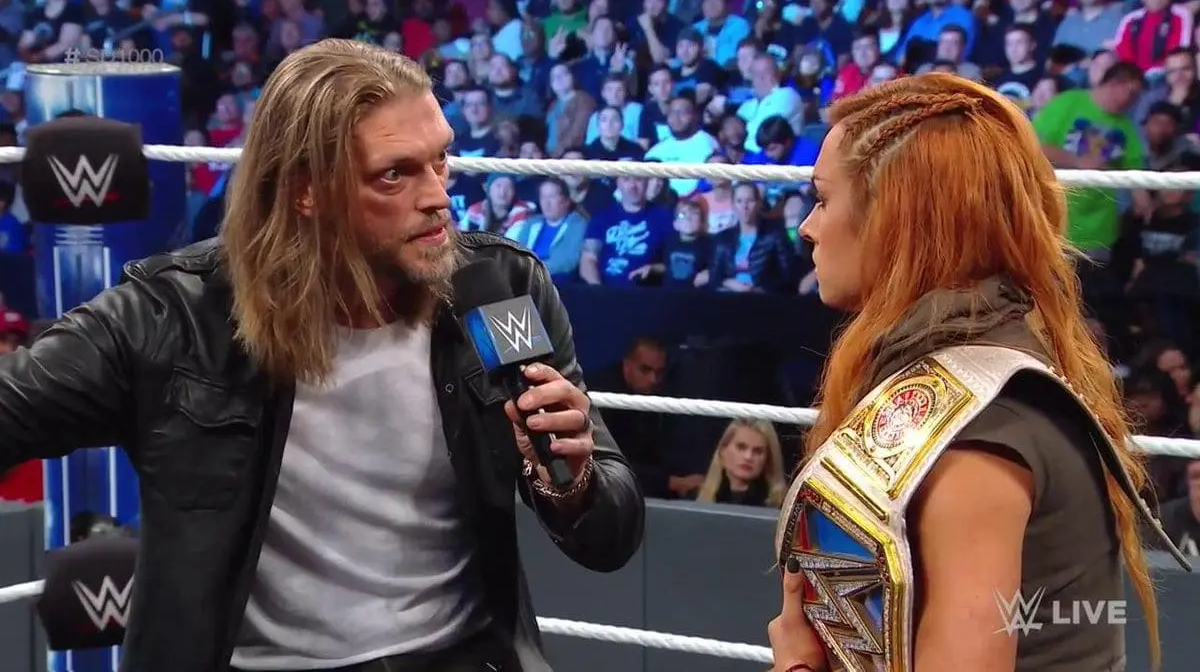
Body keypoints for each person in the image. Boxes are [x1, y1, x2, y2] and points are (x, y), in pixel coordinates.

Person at [0, 40, 644, 672]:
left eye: (440, 160)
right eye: (394, 174)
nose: (438, 197)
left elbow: (611, 539)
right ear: (306, 191)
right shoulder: (174, 319)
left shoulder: (501, 289)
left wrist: (571, 481)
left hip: (465, 655)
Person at [766, 73, 1189, 672]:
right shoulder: (975, 379)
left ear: (895, 218)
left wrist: (797, 666)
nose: (807, 226)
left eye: (823, 199)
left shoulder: (978, 429)